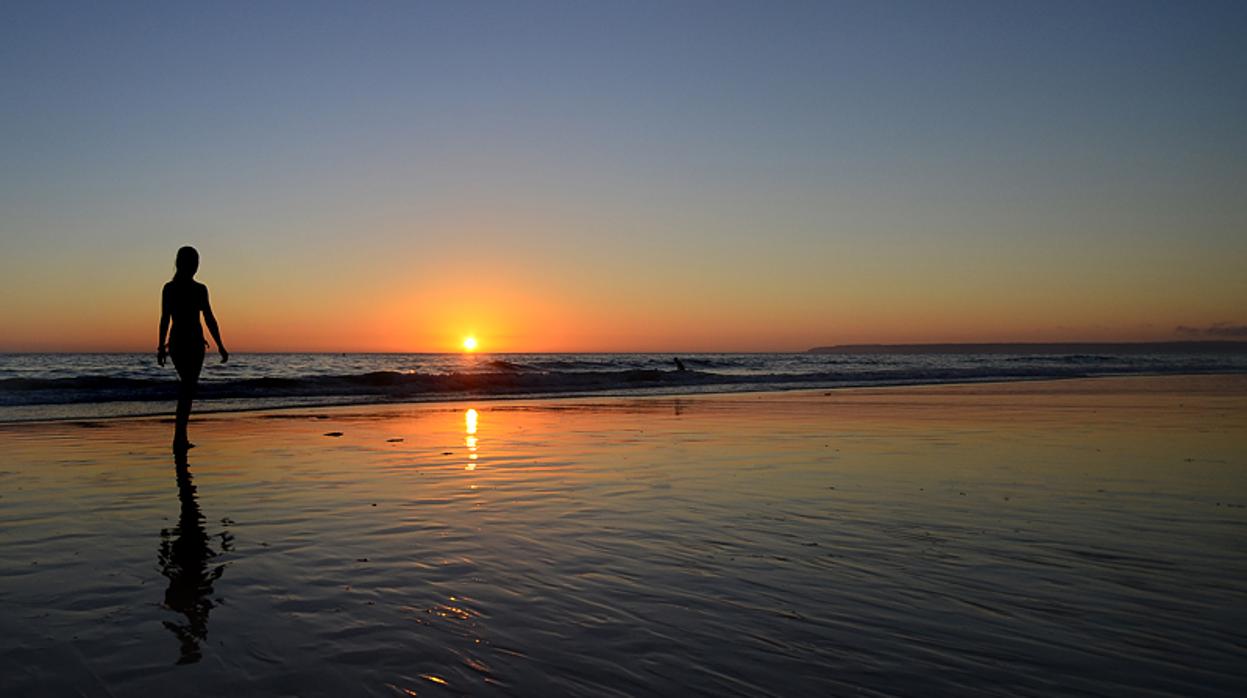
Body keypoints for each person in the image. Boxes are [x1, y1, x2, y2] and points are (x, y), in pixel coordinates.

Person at [157, 246, 228, 451]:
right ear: (183, 263)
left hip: (194, 344)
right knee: (188, 387)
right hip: (181, 343)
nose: (195, 266)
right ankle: (179, 438)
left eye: (197, 262)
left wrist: (220, 344)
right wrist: (161, 346)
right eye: (193, 262)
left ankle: (181, 436)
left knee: (188, 388)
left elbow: (208, 318)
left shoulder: (197, 289)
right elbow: (165, 319)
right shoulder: (172, 288)